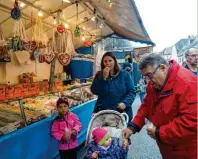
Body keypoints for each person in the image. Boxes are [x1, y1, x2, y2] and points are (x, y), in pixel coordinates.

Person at [122, 53, 197, 159]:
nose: (147, 81)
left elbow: (192, 121)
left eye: (149, 75)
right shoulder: (155, 83)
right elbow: (147, 105)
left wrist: (159, 132)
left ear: (163, 68)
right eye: (144, 77)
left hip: (186, 150)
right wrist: (132, 127)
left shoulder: (187, 83)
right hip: (168, 147)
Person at [91, 52, 136, 125]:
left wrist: (125, 103)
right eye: (105, 61)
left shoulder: (125, 75)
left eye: (110, 60)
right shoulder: (99, 75)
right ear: (102, 63)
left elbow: (131, 92)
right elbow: (95, 91)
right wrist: (104, 78)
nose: (107, 63)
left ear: (114, 61)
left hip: (121, 113)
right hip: (104, 114)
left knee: (121, 135)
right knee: (104, 135)